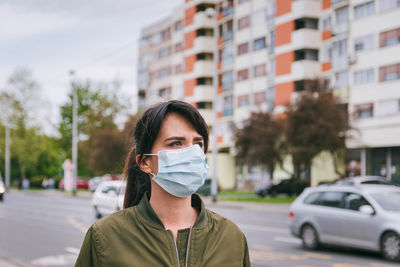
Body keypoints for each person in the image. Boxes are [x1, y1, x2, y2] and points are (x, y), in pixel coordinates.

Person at [75, 100, 250, 266]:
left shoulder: (231, 237)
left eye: (198, 143)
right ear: (145, 162)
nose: (191, 152)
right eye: (175, 143)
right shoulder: (104, 238)